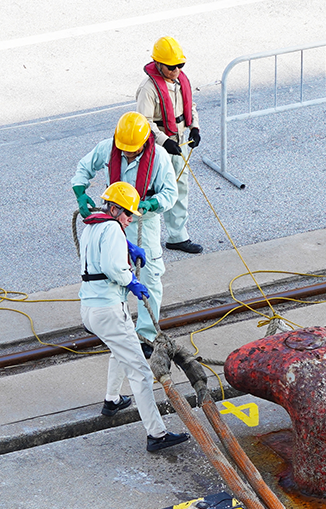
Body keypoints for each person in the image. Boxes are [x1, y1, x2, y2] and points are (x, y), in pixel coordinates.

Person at [77, 181, 189, 452]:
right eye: (127, 214)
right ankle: (157, 434)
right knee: (139, 370)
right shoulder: (113, 227)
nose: (129, 220)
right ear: (114, 209)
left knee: (119, 350)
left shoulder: (91, 226)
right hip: (109, 310)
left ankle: (112, 400)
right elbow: (113, 266)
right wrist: (132, 283)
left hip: (89, 310)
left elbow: (104, 245)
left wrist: (127, 245)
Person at [71, 111, 177, 353]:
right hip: (112, 219)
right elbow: (84, 168)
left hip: (143, 222)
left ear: (144, 143)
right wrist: (80, 192)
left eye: (132, 150)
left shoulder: (159, 158)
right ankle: (100, 318)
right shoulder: (109, 148)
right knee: (100, 267)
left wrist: (150, 204)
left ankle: (146, 333)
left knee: (149, 276)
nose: (127, 154)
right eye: (124, 149)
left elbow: (170, 194)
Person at [135, 36, 203, 255]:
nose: (176, 70)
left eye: (180, 66)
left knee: (179, 186)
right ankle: (138, 234)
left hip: (179, 139)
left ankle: (178, 236)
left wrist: (194, 128)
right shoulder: (148, 89)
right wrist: (163, 141)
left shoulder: (180, 80)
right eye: (172, 67)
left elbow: (189, 105)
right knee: (151, 189)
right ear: (158, 64)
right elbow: (144, 122)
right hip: (158, 145)